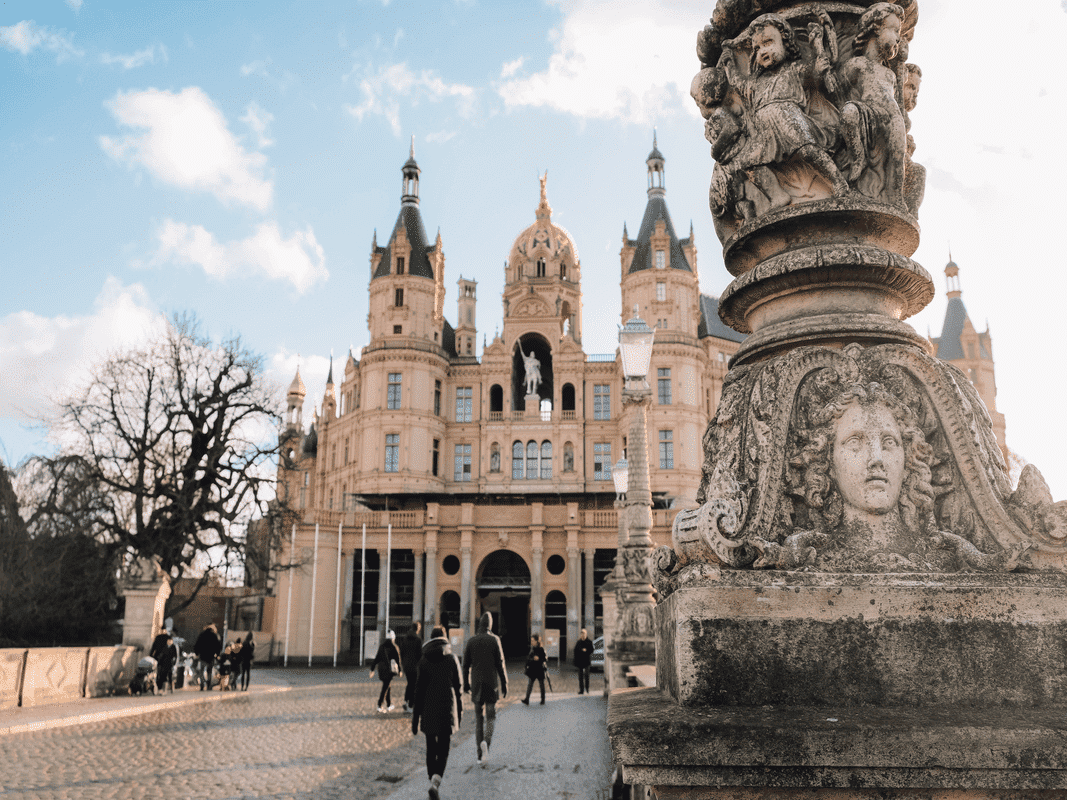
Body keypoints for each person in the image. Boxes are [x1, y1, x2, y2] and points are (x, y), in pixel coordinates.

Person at [411, 625, 462, 800]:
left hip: (428, 709)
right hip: (447, 708)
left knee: (431, 747)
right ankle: (436, 781)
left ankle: (431, 779)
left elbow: (418, 692)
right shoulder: (452, 659)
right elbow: (459, 688)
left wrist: (415, 718)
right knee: (444, 748)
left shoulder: (424, 661)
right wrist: (460, 712)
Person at [462, 612, 508, 766]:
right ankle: (486, 745)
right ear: (490, 625)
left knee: (478, 720)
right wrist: (505, 683)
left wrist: (466, 684)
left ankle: (479, 755)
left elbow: (465, 665)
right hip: (491, 684)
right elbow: (500, 664)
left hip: (476, 685)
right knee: (491, 717)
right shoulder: (495, 640)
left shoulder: (471, 641)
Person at [369, 629, 402, 712]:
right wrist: (400, 670)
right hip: (389, 670)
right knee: (385, 688)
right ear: (393, 638)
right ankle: (379, 705)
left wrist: (372, 669)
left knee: (387, 686)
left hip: (381, 669)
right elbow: (398, 660)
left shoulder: (382, 646)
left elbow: (376, 658)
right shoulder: (394, 647)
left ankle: (389, 704)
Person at [399, 621, 423, 712]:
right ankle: (410, 704)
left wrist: (404, 663)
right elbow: (420, 655)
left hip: (406, 666)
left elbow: (402, 652)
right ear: (418, 629)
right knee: (414, 685)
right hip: (415, 666)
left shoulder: (405, 639)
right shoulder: (418, 640)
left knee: (410, 684)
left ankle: (406, 701)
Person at [193, 623, 222, 691]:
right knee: (209, 671)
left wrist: (197, 653)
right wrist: (217, 654)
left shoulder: (202, 635)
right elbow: (218, 646)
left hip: (202, 656)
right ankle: (208, 685)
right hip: (210, 656)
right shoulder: (214, 636)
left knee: (201, 671)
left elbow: (197, 644)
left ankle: (202, 684)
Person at [521, 633, 547, 705]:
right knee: (530, 685)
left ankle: (543, 699)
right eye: (531, 640)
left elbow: (544, 659)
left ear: (536, 641)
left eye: (533, 640)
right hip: (532, 670)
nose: (531, 642)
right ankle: (527, 699)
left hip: (539, 670)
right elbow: (528, 658)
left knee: (541, 685)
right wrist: (530, 660)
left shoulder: (541, 649)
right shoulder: (532, 649)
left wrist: (539, 659)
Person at [573, 628, 594, 695]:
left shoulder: (589, 642)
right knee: (580, 676)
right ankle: (581, 690)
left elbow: (591, 650)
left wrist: (586, 650)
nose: (583, 635)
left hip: (586, 661)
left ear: (586, 634)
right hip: (580, 661)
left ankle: (587, 689)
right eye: (582, 634)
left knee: (587, 676)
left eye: (584, 633)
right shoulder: (578, 642)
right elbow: (575, 651)